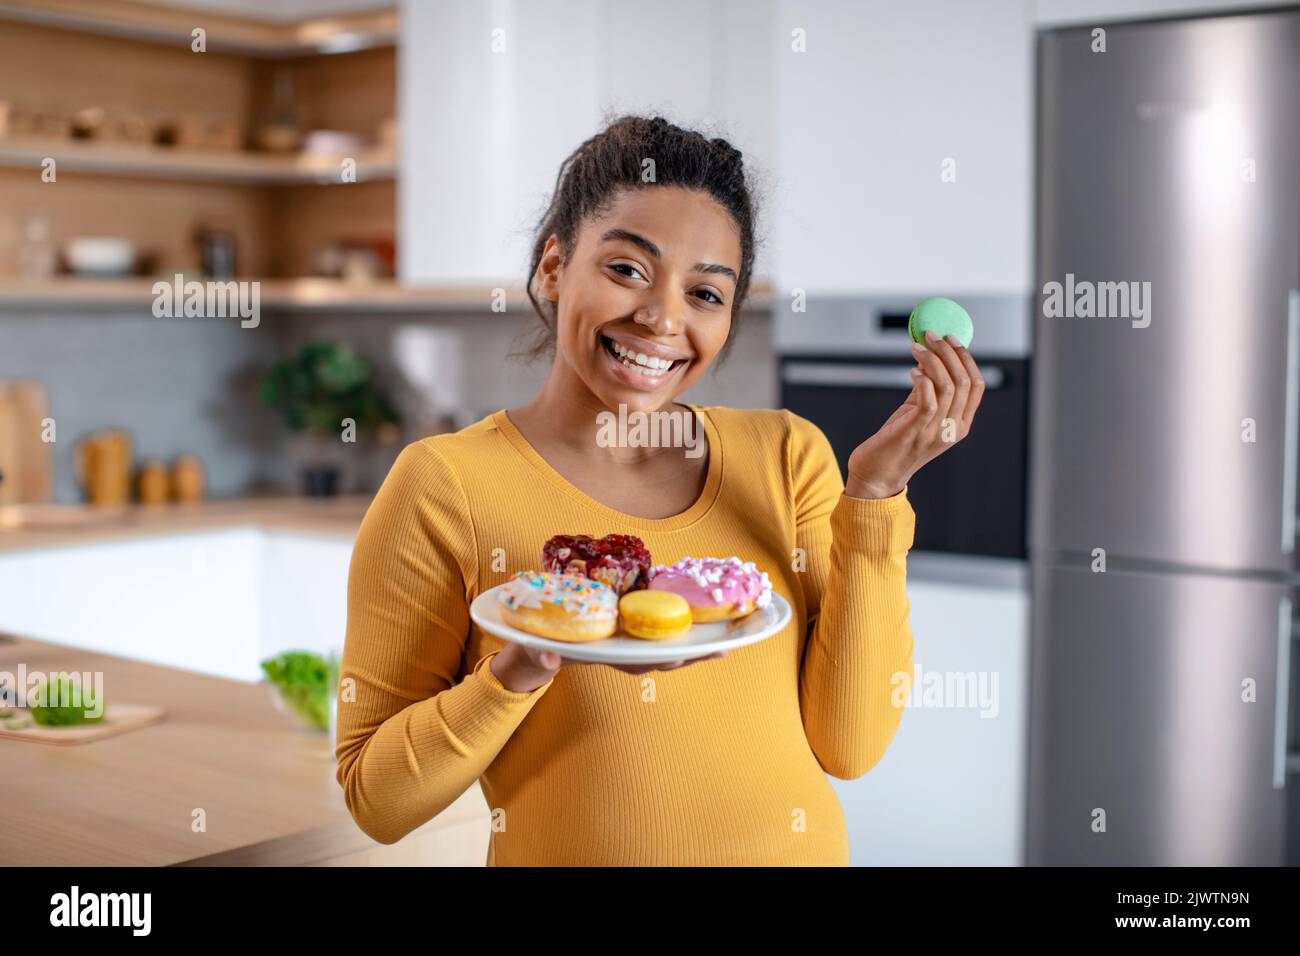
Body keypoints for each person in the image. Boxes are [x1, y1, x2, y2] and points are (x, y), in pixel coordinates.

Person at [335, 114, 985, 865]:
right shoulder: (445, 483)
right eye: (627, 270)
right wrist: (523, 662)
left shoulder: (785, 456)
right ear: (553, 266)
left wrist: (876, 494)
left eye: (707, 294)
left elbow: (850, 745)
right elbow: (376, 800)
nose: (662, 318)